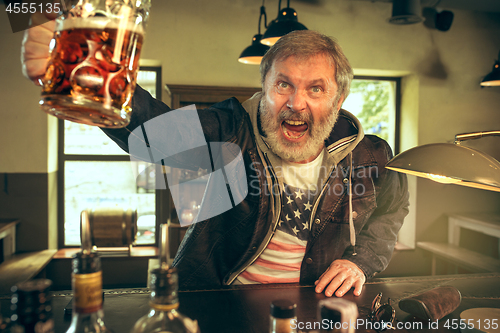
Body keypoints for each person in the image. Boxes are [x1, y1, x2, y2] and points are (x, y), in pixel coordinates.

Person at [22, 19, 409, 297]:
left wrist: (362, 261)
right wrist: (76, 72)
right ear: (265, 87)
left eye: (315, 89)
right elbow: (153, 131)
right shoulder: (229, 130)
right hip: (217, 303)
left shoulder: (370, 154)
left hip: (313, 308)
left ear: (338, 101)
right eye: (283, 84)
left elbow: (393, 210)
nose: (296, 102)